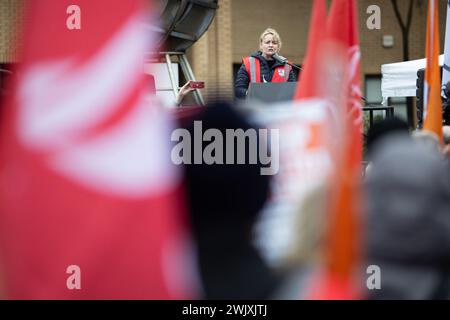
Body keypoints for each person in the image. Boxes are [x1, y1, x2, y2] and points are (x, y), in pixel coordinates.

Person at [234, 28, 297, 99]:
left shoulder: (287, 66)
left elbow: (292, 92)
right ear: (261, 45)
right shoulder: (248, 63)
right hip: (256, 107)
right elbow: (238, 90)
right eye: (267, 42)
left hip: (278, 108)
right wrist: (251, 94)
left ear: (278, 46)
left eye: (274, 43)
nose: (271, 45)